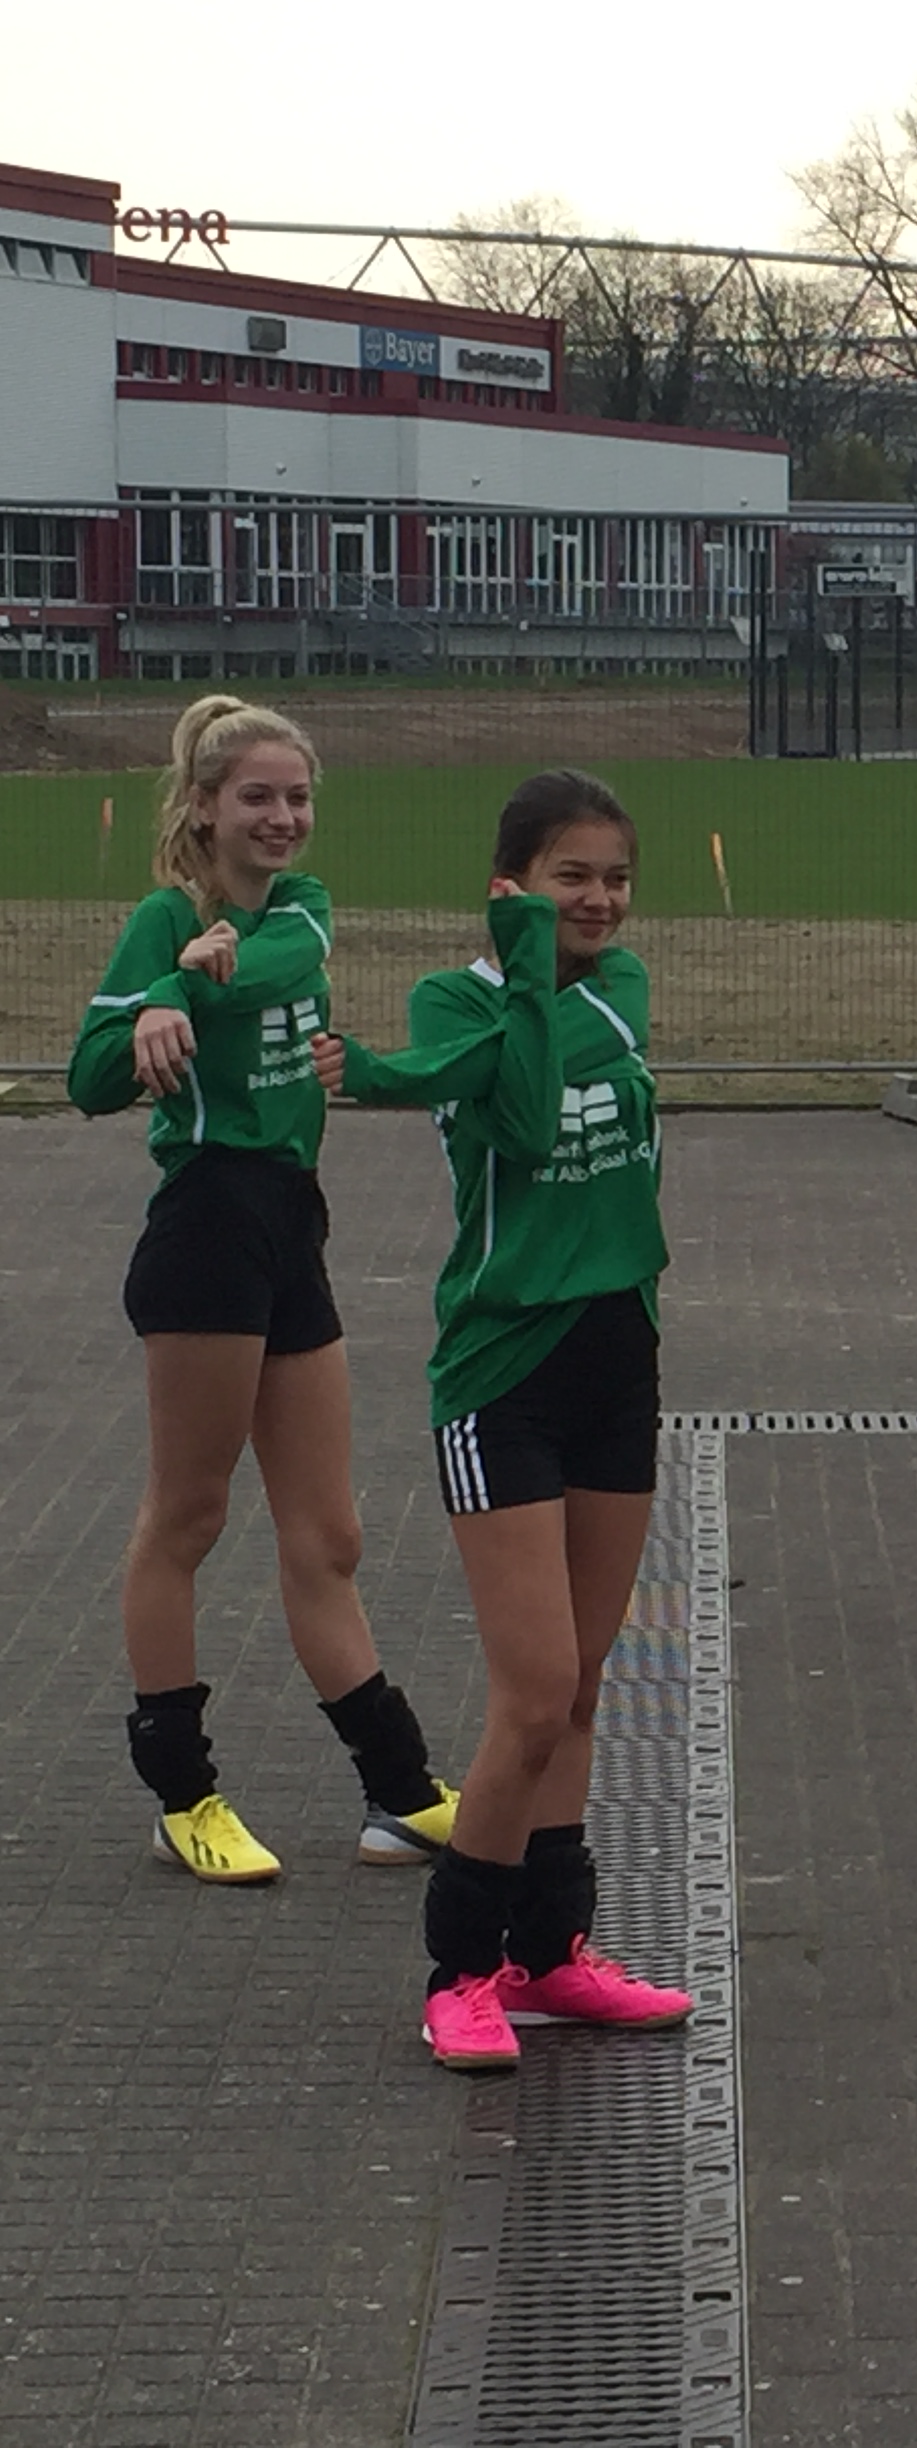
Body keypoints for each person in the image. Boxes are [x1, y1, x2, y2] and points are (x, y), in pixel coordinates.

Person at [314, 771, 693, 2071]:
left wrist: (418, 1066)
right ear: (510, 889)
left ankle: (550, 1956)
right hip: (501, 1378)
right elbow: (524, 1121)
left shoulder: (620, 988)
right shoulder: (453, 1000)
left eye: (616, 878)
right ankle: (461, 1969)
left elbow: (512, 1074)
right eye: (570, 877)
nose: (600, 900)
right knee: (531, 1697)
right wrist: (496, 997)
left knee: (582, 1687)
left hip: (616, 1363)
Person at [67, 696, 458, 1885]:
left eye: (297, 797)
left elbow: (285, 959)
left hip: (292, 1222)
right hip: (207, 1227)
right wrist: (152, 996)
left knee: (329, 1533)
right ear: (203, 807)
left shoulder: (298, 910)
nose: (283, 817)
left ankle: (399, 1795)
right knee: (187, 1516)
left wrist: (189, 991)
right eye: (257, 797)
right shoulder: (162, 919)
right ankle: (182, 1796)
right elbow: (87, 1078)